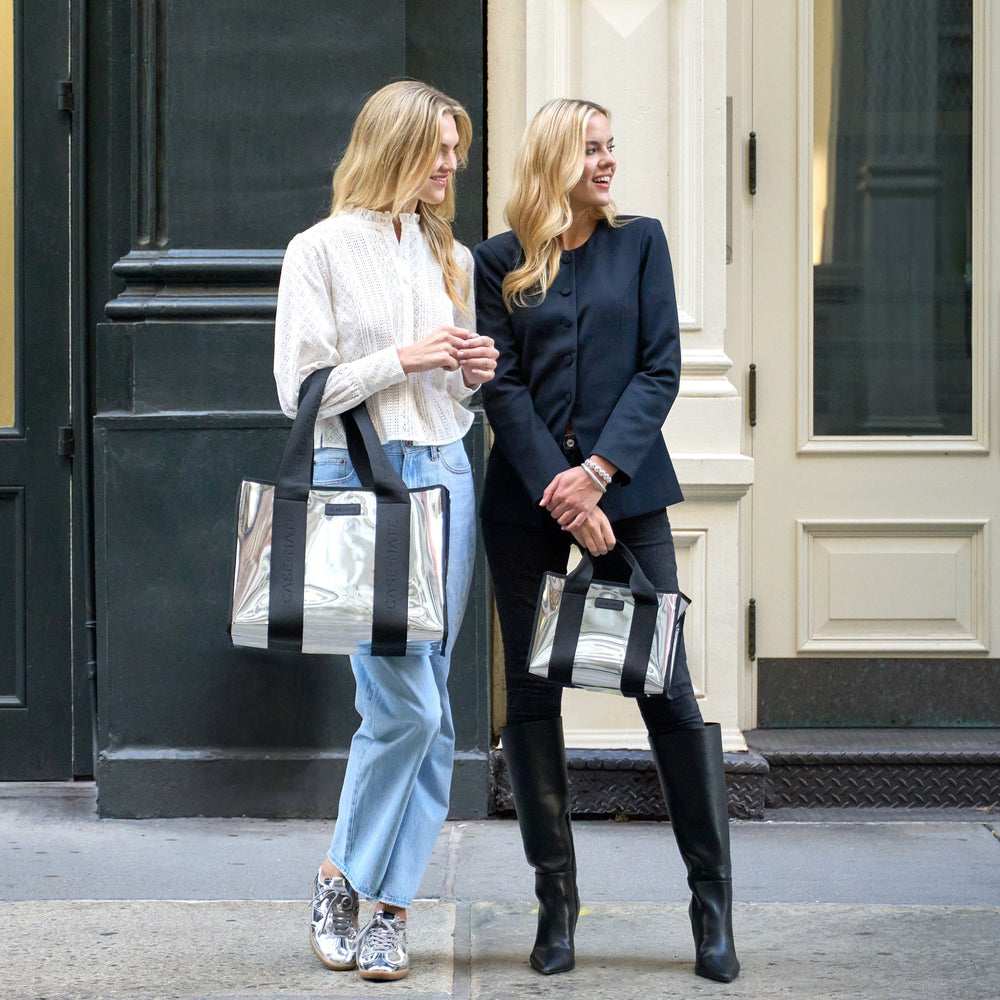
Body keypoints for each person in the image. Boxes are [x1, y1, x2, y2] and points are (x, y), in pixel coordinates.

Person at [473, 98, 739, 983]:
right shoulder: (497, 263)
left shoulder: (644, 243)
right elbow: (502, 391)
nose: (608, 162)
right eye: (591, 149)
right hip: (525, 506)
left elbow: (661, 366)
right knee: (532, 691)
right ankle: (557, 906)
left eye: (612, 147)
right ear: (554, 159)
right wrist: (561, 490)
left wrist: (600, 479)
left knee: (668, 689)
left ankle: (711, 906)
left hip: (627, 495)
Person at [273, 80, 497, 983]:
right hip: (364, 478)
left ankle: (392, 912)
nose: (451, 166)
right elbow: (301, 390)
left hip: (448, 471)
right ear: (394, 146)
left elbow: (453, 392)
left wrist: (471, 370)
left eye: (456, 151)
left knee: (433, 703)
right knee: (404, 703)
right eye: (439, 149)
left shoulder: (456, 261)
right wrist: (404, 356)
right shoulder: (317, 250)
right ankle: (343, 872)